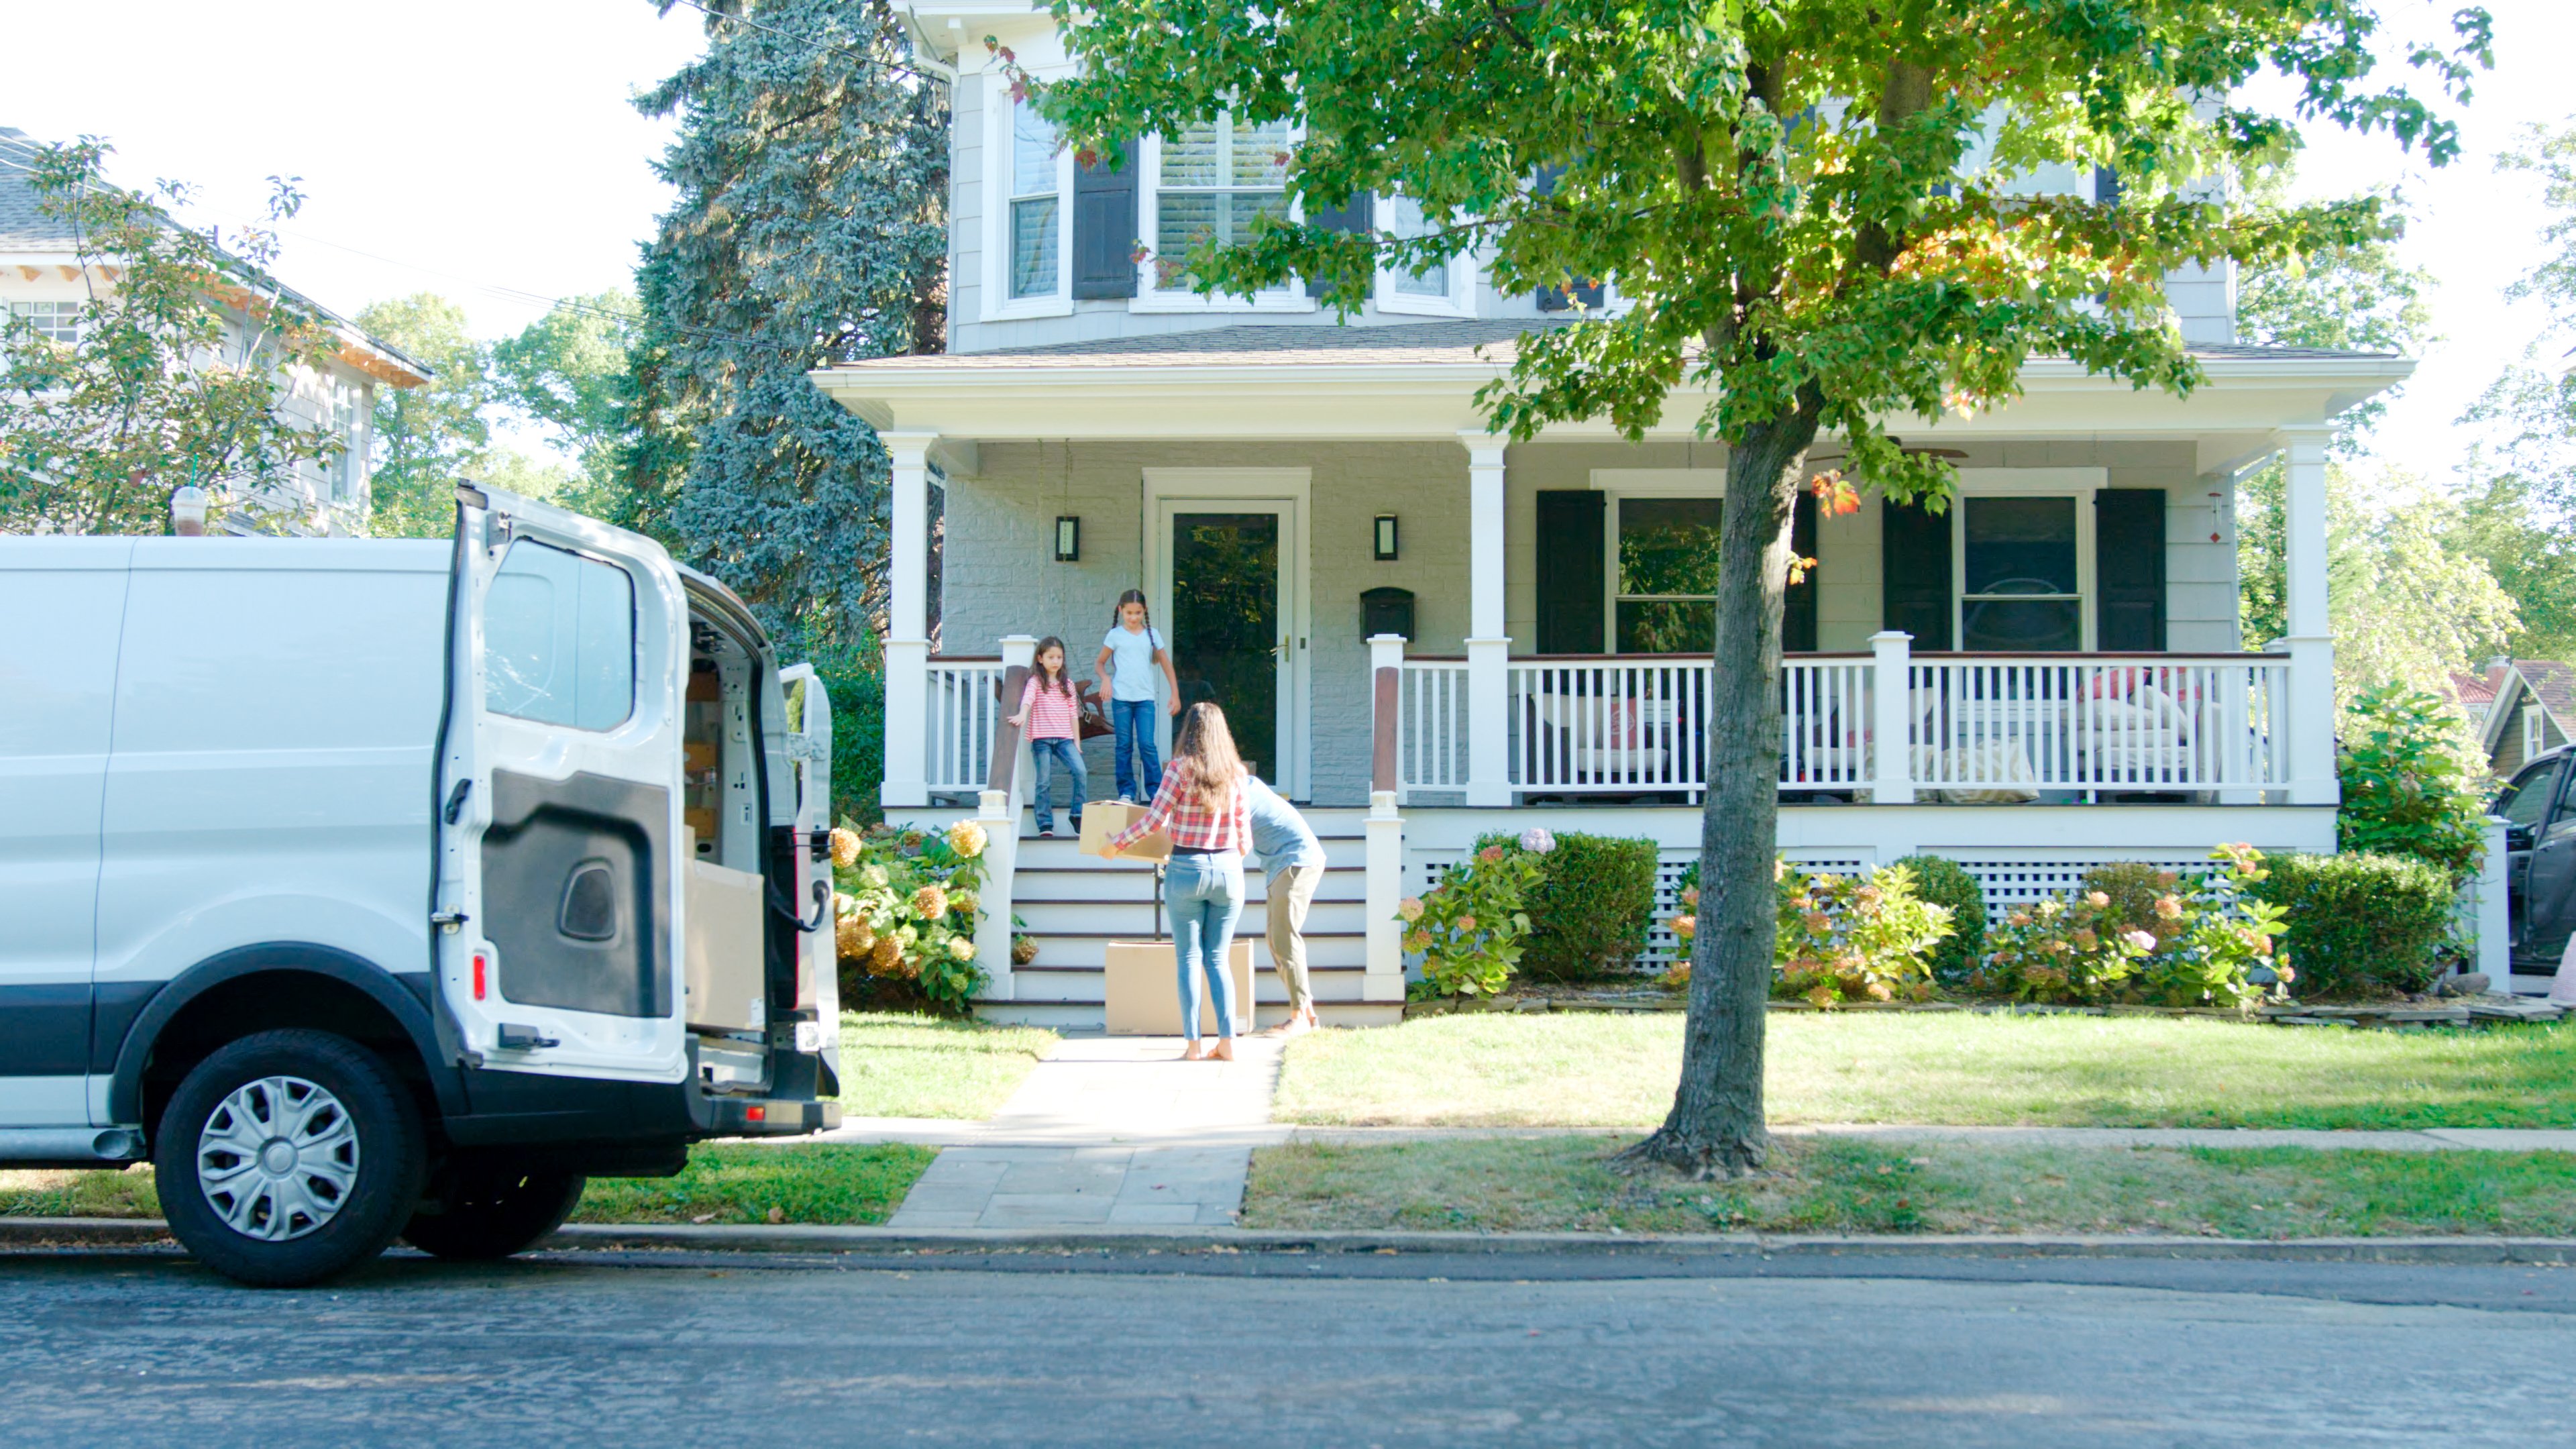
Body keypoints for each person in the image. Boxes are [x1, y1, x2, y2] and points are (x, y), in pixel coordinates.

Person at [1102, 702, 1248, 1061]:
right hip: (1230, 869)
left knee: (1188, 957)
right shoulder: (1238, 774)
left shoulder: (1179, 769)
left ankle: (1194, 1046)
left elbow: (1154, 820)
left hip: (1186, 867)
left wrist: (1115, 845)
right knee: (1218, 958)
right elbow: (1245, 835)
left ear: (1189, 731)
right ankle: (1228, 1042)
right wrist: (1228, 860)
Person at [1242, 773, 1324, 1036]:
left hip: (1295, 862)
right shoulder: (1247, 785)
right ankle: (1309, 1016)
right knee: (1277, 940)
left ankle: (1299, 1016)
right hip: (1287, 863)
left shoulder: (1243, 796)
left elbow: (1235, 843)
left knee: (1285, 938)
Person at [1095, 589, 1179, 802]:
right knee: (1124, 745)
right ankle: (1127, 791)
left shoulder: (1152, 635)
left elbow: (1166, 664)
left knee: (1147, 744)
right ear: (1120, 610)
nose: (1133, 618)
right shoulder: (1115, 635)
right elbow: (1100, 663)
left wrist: (1175, 693)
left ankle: (1155, 792)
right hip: (1122, 699)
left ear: (1145, 612)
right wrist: (1106, 679)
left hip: (1145, 700)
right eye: (1129, 613)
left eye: (1138, 613)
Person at [1008, 636, 1084, 838]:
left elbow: (1073, 714)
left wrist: (1077, 741)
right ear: (1041, 659)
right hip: (1041, 740)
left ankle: (1077, 815)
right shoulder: (1036, 681)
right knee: (1044, 781)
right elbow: (1028, 699)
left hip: (1065, 739)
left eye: (1059, 657)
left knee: (1080, 771)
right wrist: (1022, 715)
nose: (1055, 661)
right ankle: (1045, 824)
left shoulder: (1067, 684)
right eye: (1051, 657)